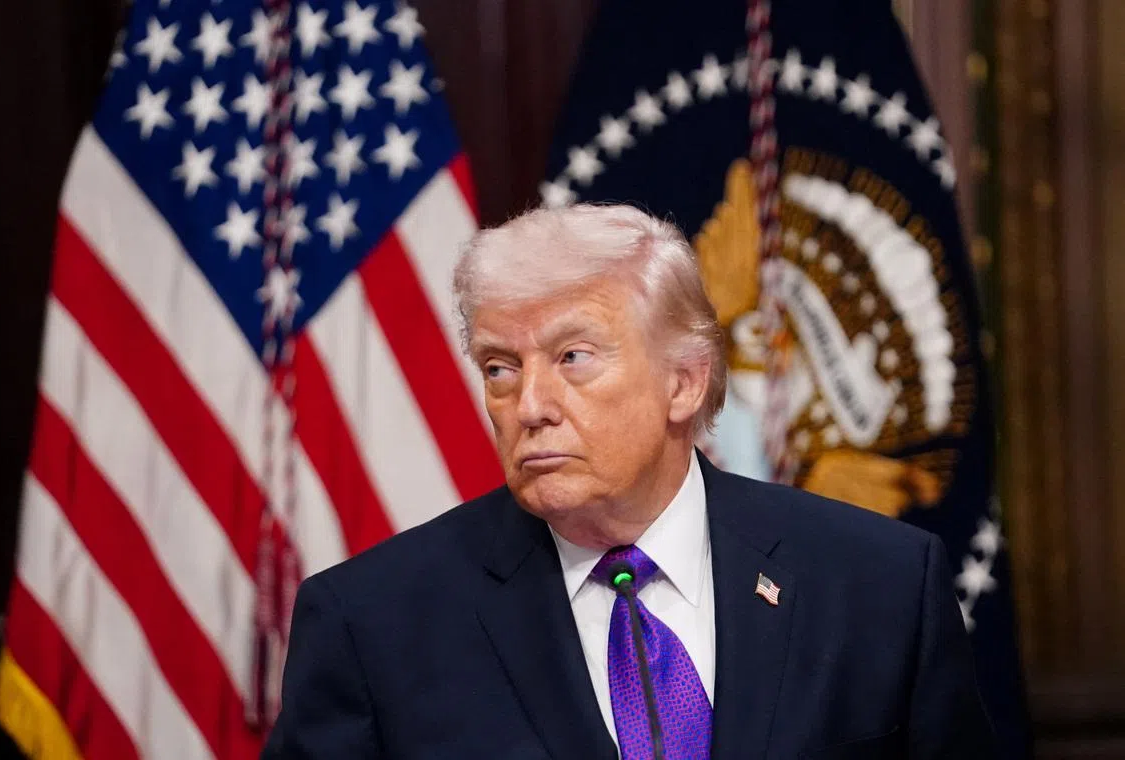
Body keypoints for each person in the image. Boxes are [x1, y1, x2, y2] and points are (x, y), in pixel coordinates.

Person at [262, 204, 996, 759]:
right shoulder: (374, 624)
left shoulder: (881, 586)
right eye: (499, 368)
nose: (532, 407)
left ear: (684, 381)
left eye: (574, 356)